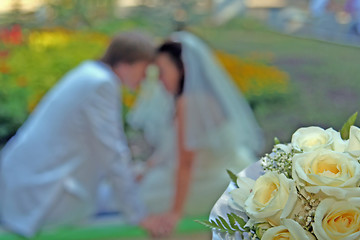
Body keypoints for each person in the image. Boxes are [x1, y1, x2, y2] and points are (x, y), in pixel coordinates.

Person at [0, 32, 168, 237]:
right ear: (127, 63)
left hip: (23, 184)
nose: (144, 78)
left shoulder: (90, 73)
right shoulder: (102, 84)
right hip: (42, 195)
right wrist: (139, 216)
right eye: (145, 69)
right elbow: (113, 153)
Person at [128, 31, 264, 232]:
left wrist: (176, 213)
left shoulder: (189, 104)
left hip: (208, 181)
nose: (159, 79)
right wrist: (147, 167)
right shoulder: (198, 98)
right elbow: (172, 147)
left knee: (140, 201)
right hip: (229, 168)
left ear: (181, 69)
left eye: (162, 71)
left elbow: (186, 162)